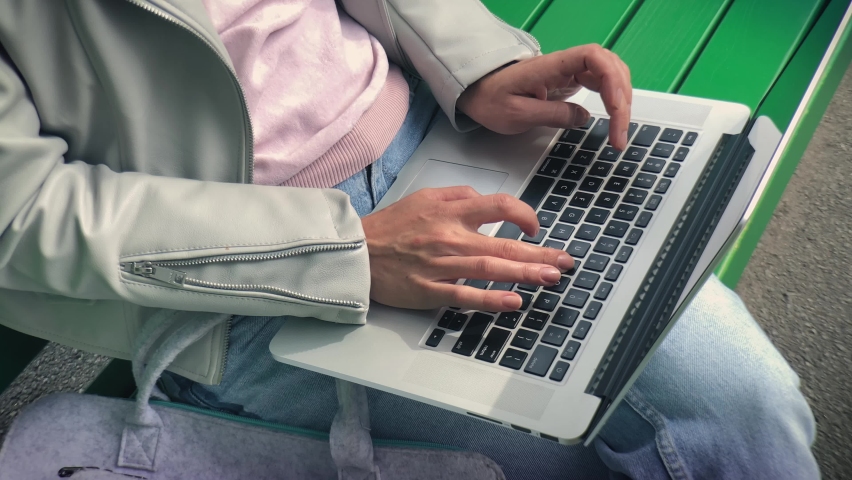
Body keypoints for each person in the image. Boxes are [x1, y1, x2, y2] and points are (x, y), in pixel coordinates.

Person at [0, 0, 818, 478]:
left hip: (446, 134)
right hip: (243, 284)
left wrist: (479, 65)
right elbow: (23, 211)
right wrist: (344, 254)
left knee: (748, 406)